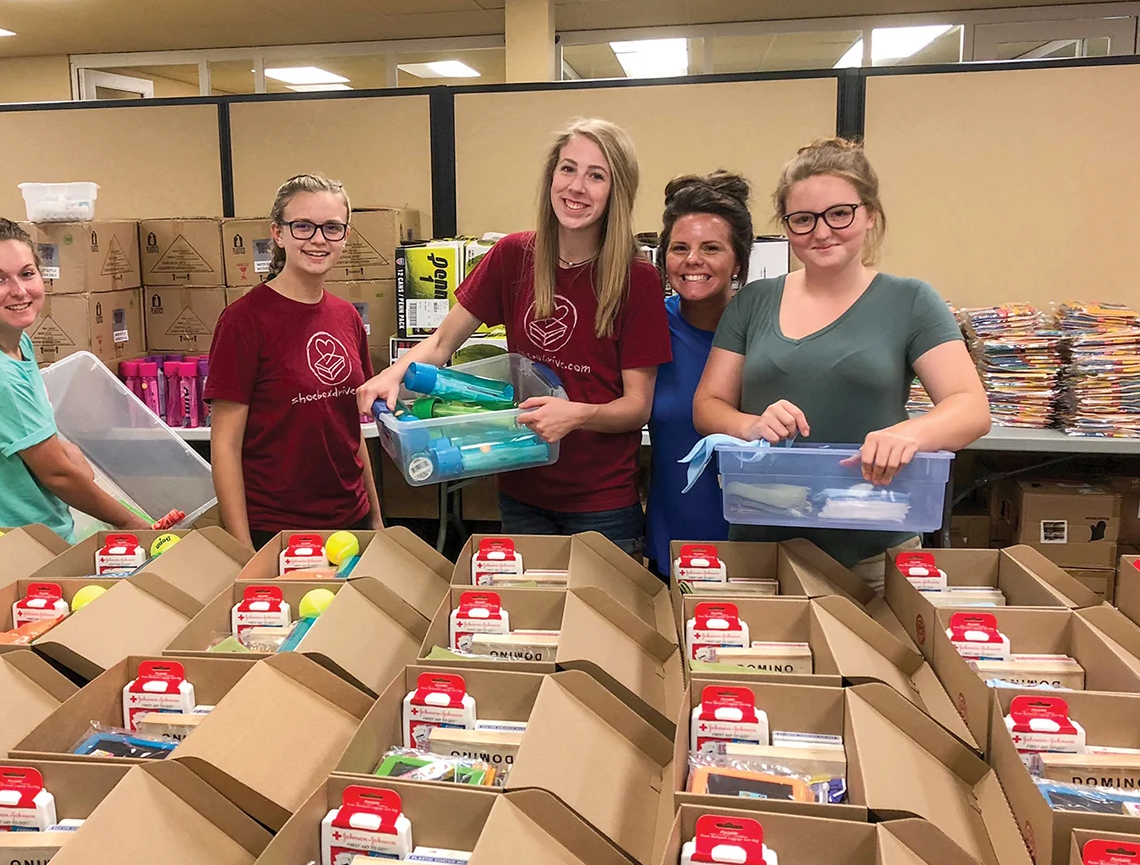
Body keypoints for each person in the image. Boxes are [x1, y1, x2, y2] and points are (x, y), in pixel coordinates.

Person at [358, 118, 671, 558]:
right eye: (568, 169)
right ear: (551, 177)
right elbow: (443, 342)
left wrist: (576, 414)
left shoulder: (636, 279)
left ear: (616, 191)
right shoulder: (513, 256)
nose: (577, 187)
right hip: (520, 486)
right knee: (527, 623)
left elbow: (637, 406)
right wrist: (394, 373)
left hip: (601, 505)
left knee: (600, 624)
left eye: (596, 175)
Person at [692, 137, 990, 589]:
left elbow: (970, 407)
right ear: (787, 226)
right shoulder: (754, 301)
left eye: (840, 213)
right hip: (764, 548)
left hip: (874, 551)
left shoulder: (910, 301)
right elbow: (708, 406)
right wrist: (751, 426)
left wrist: (908, 434)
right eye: (803, 219)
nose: (821, 231)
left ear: (870, 214)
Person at [0, 217, 166, 539]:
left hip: (8, 536)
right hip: (19, 547)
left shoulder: (7, 343)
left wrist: (69, 456)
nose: (19, 291)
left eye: (27, 274)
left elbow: (46, 448)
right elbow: (58, 475)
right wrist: (129, 523)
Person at [206, 174, 383, 550]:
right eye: (303, 226)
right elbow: (224, 446)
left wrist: (377, 519)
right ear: (278, 233)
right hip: (276, 532)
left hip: (352, 521)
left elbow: (349, 429)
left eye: (332, 228)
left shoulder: (347, 316)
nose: (319, 239)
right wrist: (242, 550)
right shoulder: (243, 321)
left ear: (346, 236)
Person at [645, 172, 754, 578]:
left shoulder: (767, 329)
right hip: (673, 544)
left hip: (758, 545)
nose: (693, 260)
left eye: (711, 248)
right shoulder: (649, 329)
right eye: (680, 248)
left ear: (739, 260)